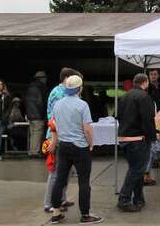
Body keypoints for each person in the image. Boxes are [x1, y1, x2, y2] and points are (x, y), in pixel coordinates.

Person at [47, 75, 104, 224]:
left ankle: (56, 213)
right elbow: (87, 129)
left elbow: (54, 124)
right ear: (80, 88)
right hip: (80, 147)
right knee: (84, 181)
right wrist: (91, 144)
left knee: (60, 180)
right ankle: (85, 215)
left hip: (63, 146)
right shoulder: (82, 105)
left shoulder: (57, 104)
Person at [42, 67, 81, 213]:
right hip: (56, 136)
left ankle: (61, 199)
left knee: (65, 171)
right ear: (66, 79)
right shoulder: (59, 93)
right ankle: (49, 203)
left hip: (63, 136)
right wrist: (54, 140)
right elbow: (55, 120)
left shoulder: (63, 92)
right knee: (55, 173)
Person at [116, 73, 156, 212]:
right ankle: (124, 199)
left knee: (136, 169)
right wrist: (153, 136)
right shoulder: (144, 97)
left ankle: (139, 199)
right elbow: (148, 120)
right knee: (136, 170)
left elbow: (118, 115)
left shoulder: (124, 96)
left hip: (123, 138)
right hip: (138, 139)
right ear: (145, 83)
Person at [26, 71, 48, 157]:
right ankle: (35, 152)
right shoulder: (40, 88)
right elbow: (40, 102)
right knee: (37, 133)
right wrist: (44, 113)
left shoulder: (30, 87)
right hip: (38, 115)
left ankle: (32, 151)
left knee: (33, 133)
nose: (46, 79)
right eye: (45, 78)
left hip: (30, 115)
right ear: (41, 79)